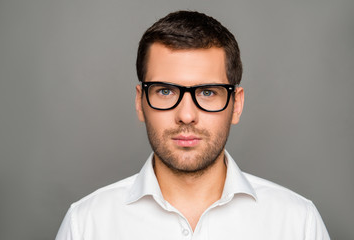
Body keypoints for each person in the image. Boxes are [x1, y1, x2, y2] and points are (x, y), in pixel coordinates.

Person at [55, 10, 330, 239]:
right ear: (140, 102)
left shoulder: (297, 223)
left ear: (237, 105)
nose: (186, 116)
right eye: (165, 91)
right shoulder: (86, 225)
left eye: (207, 92)